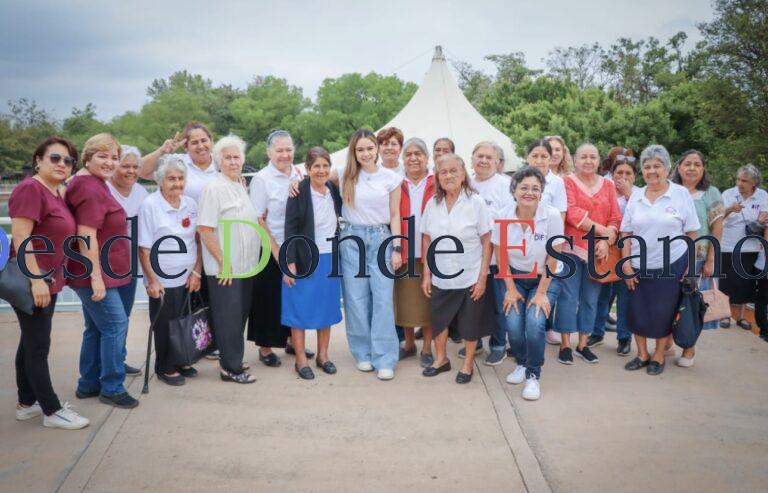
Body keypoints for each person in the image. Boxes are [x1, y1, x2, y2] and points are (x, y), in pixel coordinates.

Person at [9, 136, 90, 429]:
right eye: (55, 158)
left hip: (49, 280)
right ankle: (52, 410)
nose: (62, 164)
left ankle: (26, 402)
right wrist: (36, 280)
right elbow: (21, 237)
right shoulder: (31, 189)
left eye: (68, 160)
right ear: (38, 160)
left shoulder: (55, 191)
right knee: (38, 347)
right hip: (36, 282)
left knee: (29, 343)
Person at [66, 133, 138, 409]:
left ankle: (88, 384)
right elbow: (86, 235)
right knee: (115, 325)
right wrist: (95, 277)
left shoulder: (95, 183)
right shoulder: (89, 188)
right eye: (103, 156)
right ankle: (112, 386)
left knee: (96, 328)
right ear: (87, 157)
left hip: (106, 272)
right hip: (97, 274)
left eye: (115, 157)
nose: (111, 162)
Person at [139, 121, 221, 359]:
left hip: (206, 247)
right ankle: (171, 360)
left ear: (211, 141)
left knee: (199, 305)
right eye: (194, 141)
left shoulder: (221, 164)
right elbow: (143, 171)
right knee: (171, 314)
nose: (200, 145)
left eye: (204, 140)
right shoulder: (177, 163)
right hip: (169, 261)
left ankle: (196, 348)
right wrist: (163, 150)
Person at [620, 145, 700, 376]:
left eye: (657, 166)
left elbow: (692, 233)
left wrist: (689, 267)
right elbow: (626, 232)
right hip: (638, 264)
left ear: (667, 168)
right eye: (647, 167)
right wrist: (626, 264)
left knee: (664, 312)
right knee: (637, 311)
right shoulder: (636, 195)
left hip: (671, 263)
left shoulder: (680, 194)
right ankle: (642, 353)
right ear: (642, 171)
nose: (652, 171)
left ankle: (658, 355)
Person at [421, 153, 493, 384]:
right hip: (441, 276)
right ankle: (441, 359)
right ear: (438, 177)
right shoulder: (433, 204)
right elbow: (426, 239)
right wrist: (426, 274)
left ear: (463, 174)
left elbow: (487, 240)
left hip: (470, 275)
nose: (449, 175)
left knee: (469, 324)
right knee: (439, 320)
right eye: (444, 172)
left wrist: (482, 277)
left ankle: (468, 363)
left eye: (454, 171)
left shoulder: (476, 202)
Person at [494, 166, 564, 400]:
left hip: (545, 278)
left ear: (541, 193)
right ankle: (522, 363)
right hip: (515, 278)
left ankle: (533, 375)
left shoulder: (551, 215)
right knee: (513, 327)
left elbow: (554, 257)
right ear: (514, 190)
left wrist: (542, 292)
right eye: (524, 187)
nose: (529, 192)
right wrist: (510, 289)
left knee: (535, 324)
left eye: (535, 188)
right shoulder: (503, 215)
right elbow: (501, 255)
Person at [338, 129, 403, 380]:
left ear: (376, 149)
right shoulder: (345, 175)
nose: (365, 153)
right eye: (360, 149)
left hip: (381, 239)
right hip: (352, 239)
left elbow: (395, 214)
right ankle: (362, 353)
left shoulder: (390, 178)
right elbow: (312, 176)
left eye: (369, 148)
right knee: (355, 300)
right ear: (354, 152)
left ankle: (385, 357)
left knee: (383, 299)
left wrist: (397, 248)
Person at [197, 135, 261, 384]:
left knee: (238, 316)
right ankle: (231, 368)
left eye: (236, 157)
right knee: (228, 318)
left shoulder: (238, 185)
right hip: (226, 267)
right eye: (228, 157)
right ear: (218, 161)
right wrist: (223, 262)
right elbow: (205, 229)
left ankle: (232, 357)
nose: (233, 161)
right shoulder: (214, 188)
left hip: (244, 267)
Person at [137, 155, 202, 386]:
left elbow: (199, 241)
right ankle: (165, 366)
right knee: (165, 324)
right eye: (171, 178)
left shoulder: (191, 205)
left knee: (185, 320)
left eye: (180, 178)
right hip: (162, 278)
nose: (177, 183)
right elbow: (143, 249)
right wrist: (151, 281)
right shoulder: (150, 206)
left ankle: (183, 358)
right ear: (160, 181)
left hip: (188, 277)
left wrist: (197, 272)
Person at [554, 144, 621, 365]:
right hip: (571, 249)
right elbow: (572, 214)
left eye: (593, 157)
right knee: (567, 297)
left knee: (590, 300)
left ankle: (582, 345)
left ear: (598, 160)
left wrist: (606, 239)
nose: (588, 161)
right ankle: (565, 344)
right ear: (576, 159)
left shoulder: (609, 185)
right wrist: (603, 232)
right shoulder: (567, 182)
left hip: (598, 253)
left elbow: (615, 217)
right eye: (584, 157)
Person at [282, 147, 343, 380]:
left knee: (326, 310)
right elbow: (290, 228)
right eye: (316, 166)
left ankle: (323, 356)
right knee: (299, 310)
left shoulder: (332, 190)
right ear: (307, 169)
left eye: (325, 165)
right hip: (303, 258)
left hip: (329, 258)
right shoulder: (299, 192)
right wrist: (289, 262)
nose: (321, 170)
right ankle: (300, 360)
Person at [249, 130, 303, 366]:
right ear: (269, 152)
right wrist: (277, 252)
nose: (285, 154)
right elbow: (258, 220)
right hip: (270, 245)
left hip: (296, 244)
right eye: (279, 150)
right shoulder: (262, 179)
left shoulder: (300, 172)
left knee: (295, 296)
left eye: (289, 149)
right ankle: (265, 348)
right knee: (269, 298)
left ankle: (293, 341)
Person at [670, 150, 725, 366]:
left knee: (690, 305)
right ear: (679, 167)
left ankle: (689, 348)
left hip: (698, 258)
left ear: (703, 169)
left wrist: (711, 260)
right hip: (670, 257)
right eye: (687, 164)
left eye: (697, 164)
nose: (692, 168)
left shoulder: (710, 193)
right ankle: (666, 342)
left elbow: (717, 229)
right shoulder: (671, 191)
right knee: (668, 302)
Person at [587, 149, 636, 354]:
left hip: (628, 249)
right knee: (602, 293)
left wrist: (628, 194)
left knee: (625, 295)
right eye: (619, 173)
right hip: (605, 246)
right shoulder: (604, 189)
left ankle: (624, 337)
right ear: (612, 173)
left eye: (627, 174)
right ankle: (597, 332)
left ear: (634, 176)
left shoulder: (638, 195)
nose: (622, 177)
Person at [470, 141, 514, 365]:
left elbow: (508, 220)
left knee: (498, 303)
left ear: (498, 163)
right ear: (472, 159)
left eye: (489, 157)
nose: (484, 161)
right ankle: (474, 341)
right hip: (469, 256)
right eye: (480, 156)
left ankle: (498, 345)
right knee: (473, 302)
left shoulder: (506, 185)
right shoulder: (465, 181)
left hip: (496, 255)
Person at [107, 145, 149, 376]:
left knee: (124, 315)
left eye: (135, 166)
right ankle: (96, 372)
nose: (131, 171)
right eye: (125, 165)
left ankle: (118, 360)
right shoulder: (103, 189)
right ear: (114, 166)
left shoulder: (141, 192)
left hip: (130, 264)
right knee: (105, 323)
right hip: (106, 264)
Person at [395, 138, 436, 368]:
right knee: (406, 302)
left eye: (418, 153)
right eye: (408, 154)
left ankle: (427, 348)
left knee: (428, 302)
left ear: (426, 158)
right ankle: (409, 344)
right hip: (404, 251)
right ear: (403, 158)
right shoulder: (396, 182)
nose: (413, 158)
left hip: (430, 252)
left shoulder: (436, 181)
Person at [719, 164, 768, 330]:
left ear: (754, 183)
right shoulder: (728, 194)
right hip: (728, 245)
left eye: (745, 181)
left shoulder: (762, 196)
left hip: (751, 246)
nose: (740, 183)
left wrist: (761, 220)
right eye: (738, 179)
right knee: (726, 282)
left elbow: (764, 218)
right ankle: (725, 315)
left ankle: (740, 317)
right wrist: (730, 209)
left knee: (745, 283)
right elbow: (717, 216)